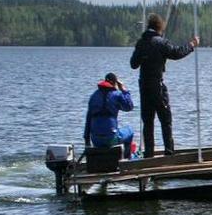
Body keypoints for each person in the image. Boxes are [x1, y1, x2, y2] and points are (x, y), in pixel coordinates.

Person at [130, 13, 199, 158]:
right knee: (165, 119)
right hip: (157, 86)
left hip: (144, 87)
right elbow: (177, 53)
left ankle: (149, 154)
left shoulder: (141, 42)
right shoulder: (161, 42)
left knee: (148, 122)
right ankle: (169, 152)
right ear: (159, 27)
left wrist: (143, 55)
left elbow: (133, 64)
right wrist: (191, 45)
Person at [84, 72, 135, 159]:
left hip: (95, 140)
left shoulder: (93, 96)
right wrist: (124, 90)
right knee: (130, 131)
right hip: (111, 139)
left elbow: (88, 120)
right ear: (115, 83)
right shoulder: (117, 95)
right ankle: (126, 160)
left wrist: (87, 141)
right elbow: (129, 107)